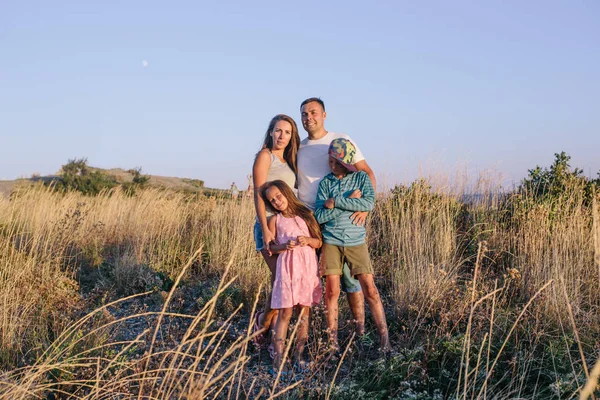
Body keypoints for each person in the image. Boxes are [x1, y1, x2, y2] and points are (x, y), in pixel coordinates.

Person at [297, 97, 376, 339]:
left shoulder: (340, 139)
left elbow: (366, 172)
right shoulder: (298, 147)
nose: (308, 117)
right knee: (318, 279)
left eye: (313, 112)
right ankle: (321, 337)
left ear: (324, 115)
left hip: (341, 220)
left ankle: (358, 332)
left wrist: (364, 209)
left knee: (351, 280)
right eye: (304, 114)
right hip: (310, 218)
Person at [315, 138, 390, 352]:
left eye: (337, 161)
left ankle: (384, 340)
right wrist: (346, 200)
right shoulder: (326, 183)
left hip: (356, 241)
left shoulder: (361, 179)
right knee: (331, 292)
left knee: (370, 289)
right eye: (330, 160)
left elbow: (368, 203)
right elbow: (319, 216)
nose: (333, 165)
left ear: (347, 161)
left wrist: (336, 202)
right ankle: (332, 343)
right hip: (331, 241)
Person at [261, 180, 322, 374]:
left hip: (306, 269)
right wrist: (283, 246)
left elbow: (319, 242)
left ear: (286, 193)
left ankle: (299, 356)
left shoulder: (305, 214)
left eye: (279, 196)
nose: (277, 202)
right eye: (272, 200)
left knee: (304, 312)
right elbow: (270, 248)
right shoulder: (275, 220)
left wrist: (308, 240)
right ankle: (279, 360)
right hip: (287, 270)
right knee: (285, 313)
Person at [252, 114, 300, 344]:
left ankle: (265, 321)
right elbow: (258, 194)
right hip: (268, 226)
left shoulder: (289, 161)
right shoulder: (265, 156)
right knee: (281, 280)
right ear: (271, 132)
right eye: (279, 130)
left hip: (287, 227)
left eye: (288, 132)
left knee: (282, 281)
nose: (282, 136)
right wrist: (265, 228)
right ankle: (264, 325)